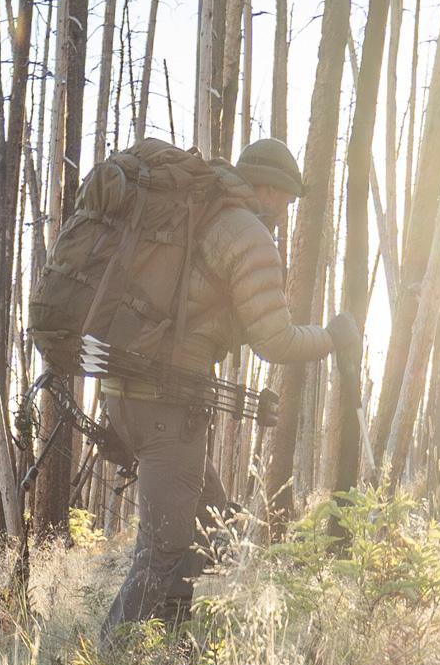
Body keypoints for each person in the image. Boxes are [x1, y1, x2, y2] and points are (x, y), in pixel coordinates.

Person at [102, 138, 359, 633]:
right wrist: (331, 337)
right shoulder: (245, 232)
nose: (285, 210)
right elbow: (276, 340)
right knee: (162, 554)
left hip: (127, 396)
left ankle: (175, 654)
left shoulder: (204, 212)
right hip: (167, 407)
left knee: (213, 529)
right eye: (285, 198)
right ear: (266, 188)